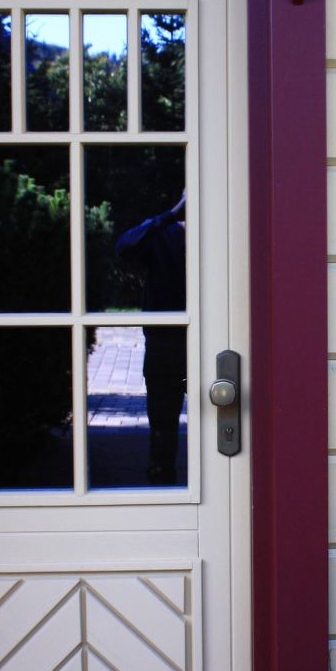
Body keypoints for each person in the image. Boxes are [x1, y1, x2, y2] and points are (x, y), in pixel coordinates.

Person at [115, 193, 187, 484]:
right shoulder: (163, 235)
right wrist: (171, 214)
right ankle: (164, 487)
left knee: (218, 423)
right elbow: (124, 247)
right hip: (164, 346)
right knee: (162, 429)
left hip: (209, 345)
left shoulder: (219, 239)